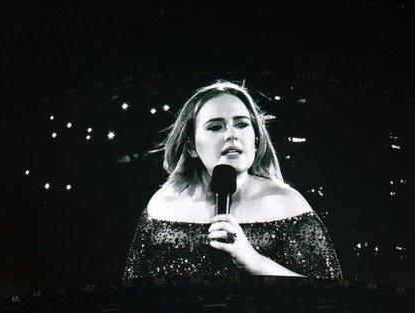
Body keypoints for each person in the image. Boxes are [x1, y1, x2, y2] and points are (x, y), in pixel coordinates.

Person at [123, 80, 342, 281]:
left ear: (255, 138)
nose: (231, 134)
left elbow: (334, 300)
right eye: (216, 126)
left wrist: (255, 261)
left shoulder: (287, 202)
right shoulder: (162, 205)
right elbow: (131, 299)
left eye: (241, 124)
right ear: (190, 145)